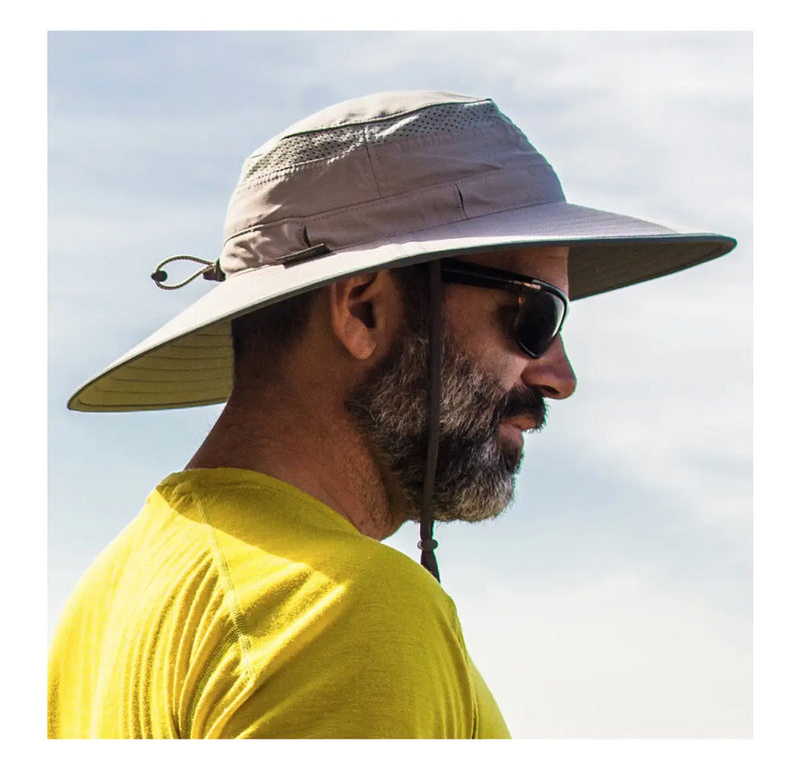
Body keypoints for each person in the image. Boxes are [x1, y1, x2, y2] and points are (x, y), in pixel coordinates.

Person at [48, 90, 735, 739]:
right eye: (534, 316)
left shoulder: (106, 605)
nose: (560, 378)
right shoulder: (342, 609)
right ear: (364, 310)